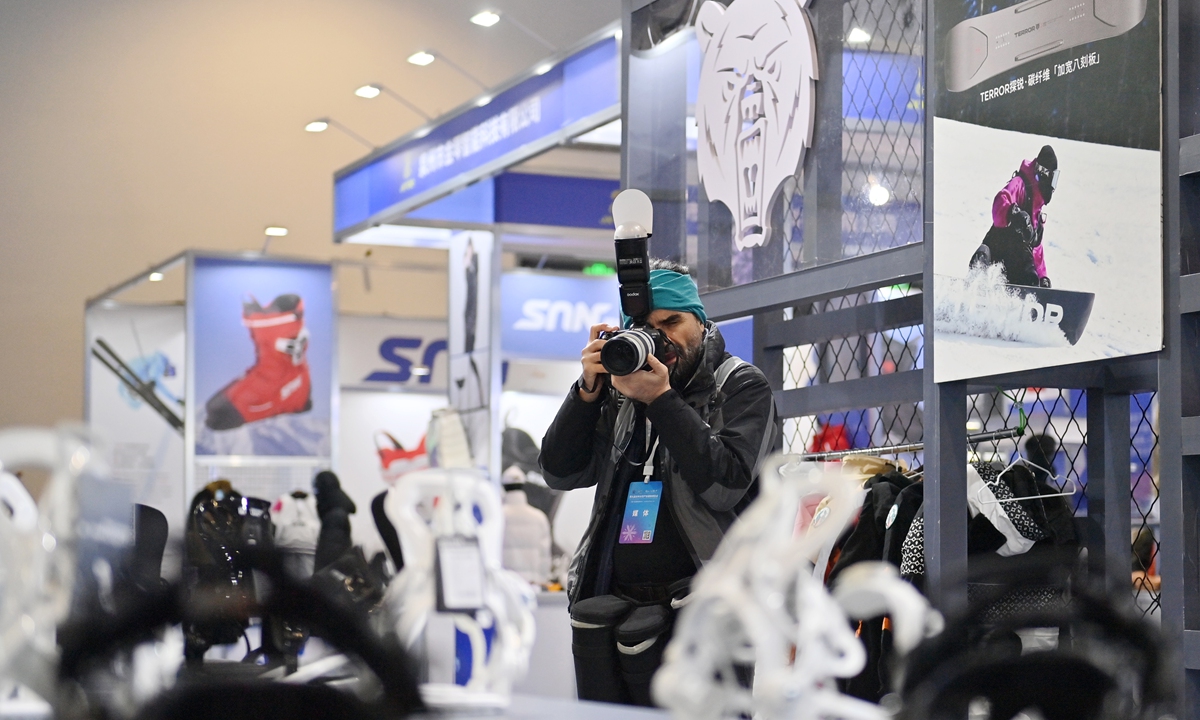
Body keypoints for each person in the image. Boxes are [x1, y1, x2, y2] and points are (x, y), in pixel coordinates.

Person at [539, 259, 780, 705]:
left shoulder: (741, 385)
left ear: (701, 323)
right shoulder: (619, 392)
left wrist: (663, 400)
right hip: (615, 604)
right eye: (646, 326)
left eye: (673, 321)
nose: (662, 336)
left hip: (705, 609)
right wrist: (588, 391)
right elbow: (560, 471)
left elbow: (725, 483)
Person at [970, 145, 1059, 288]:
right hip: (1002, 249)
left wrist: (1043, 277)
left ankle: (1028, 285)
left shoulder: (1037, 211)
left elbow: (1036, 249)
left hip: (1011, 267)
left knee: (1031, 245)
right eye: (1053, 179)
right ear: (1044, 174)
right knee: (1028, 269)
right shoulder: (1021, 184)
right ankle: (984, 263)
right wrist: (1014, 214)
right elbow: (1000, 201)